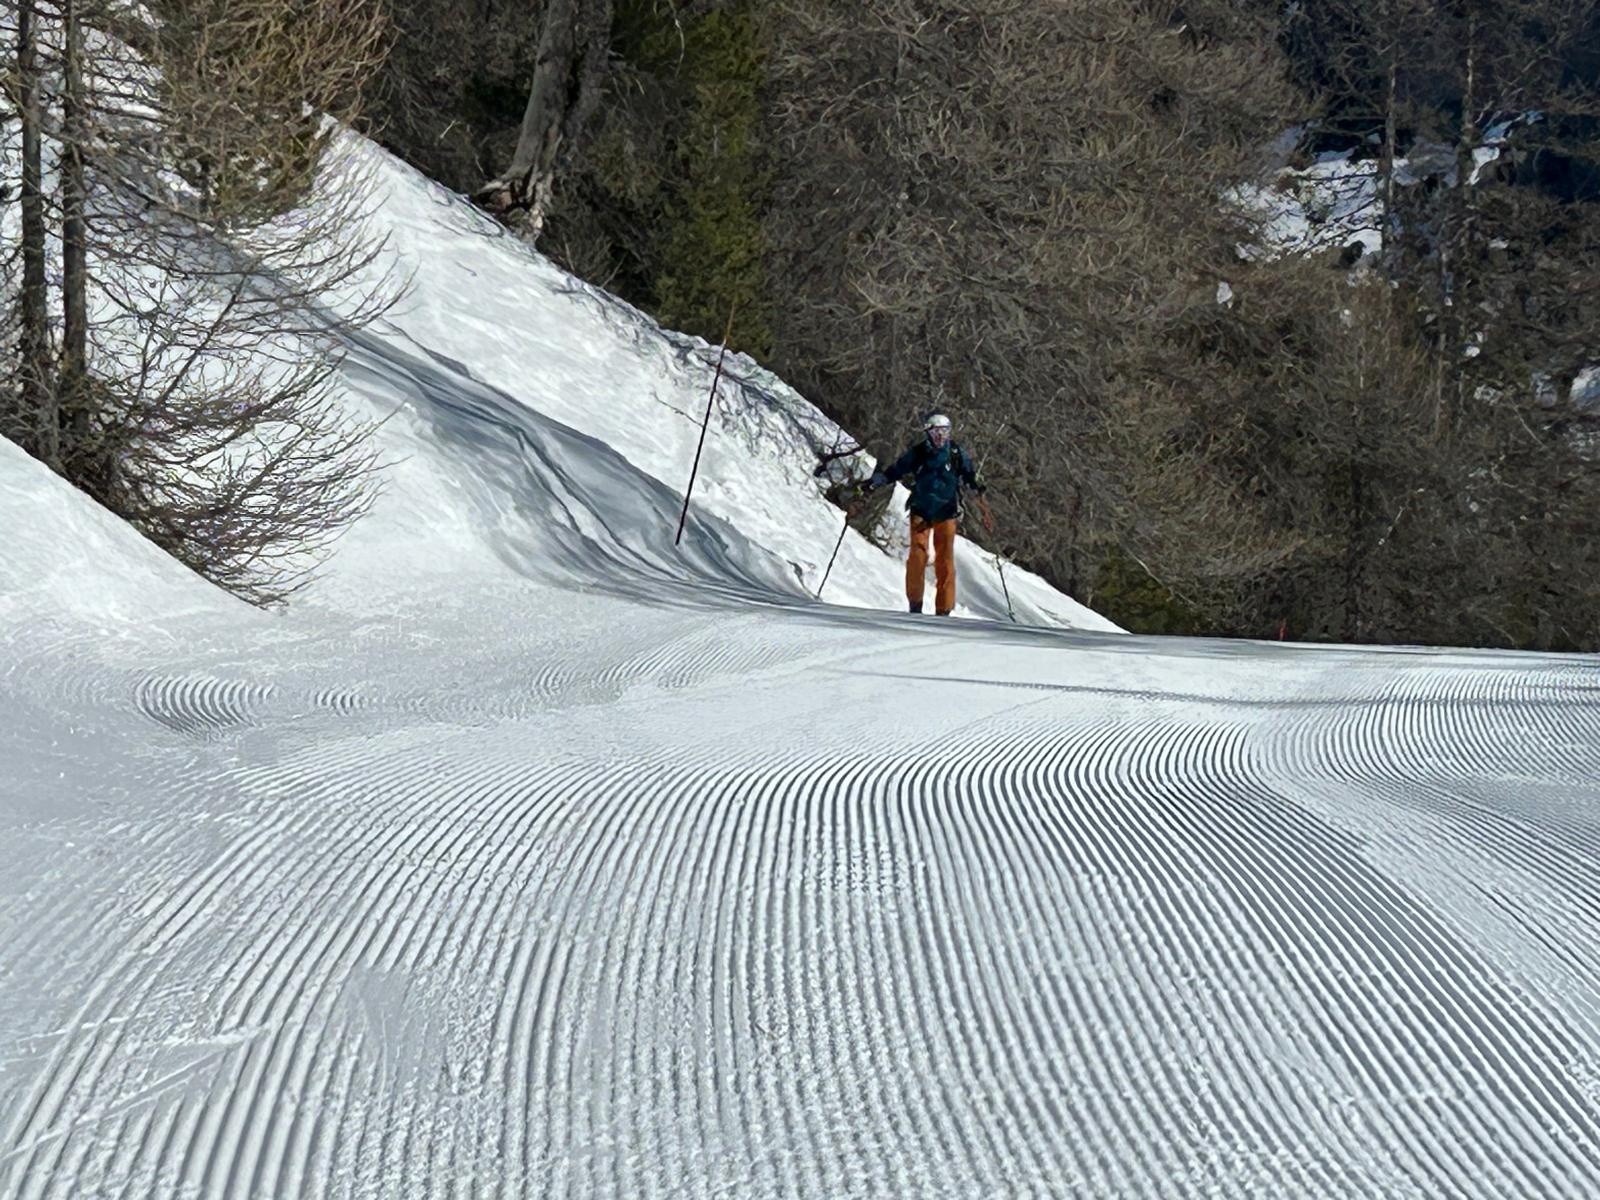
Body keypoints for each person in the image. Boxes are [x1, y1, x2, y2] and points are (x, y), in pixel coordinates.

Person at [867, 413, 986, 615]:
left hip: (946, 511)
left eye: (945, 431)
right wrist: (881, 479)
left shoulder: (956, 453)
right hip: (921, 509)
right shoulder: (919, 452)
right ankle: (915, 604)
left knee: (945, 559)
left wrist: (976, 486)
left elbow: (968, 474)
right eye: (936, 431)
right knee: (918, 555)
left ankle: (944, 609)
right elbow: (898, 469)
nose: (940, 436)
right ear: (928, 432)